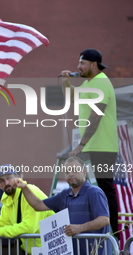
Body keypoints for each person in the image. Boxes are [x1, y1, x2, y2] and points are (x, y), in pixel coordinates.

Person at [60, 48, 119, 237]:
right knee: (87, 186)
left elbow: (96, 117)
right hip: (92, 145)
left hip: (102, 146)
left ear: (93, 65)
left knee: (105, 189)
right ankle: (100, 229)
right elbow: (70, 98)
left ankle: (113, 234)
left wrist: (80, 146)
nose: (78, 67)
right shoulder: (88, 83)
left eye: (82, 63)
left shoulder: (101, 83)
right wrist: (66, 82)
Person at [11, 156, 110, 255]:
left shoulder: (94, 192)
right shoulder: (64, 195)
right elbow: (38, 205)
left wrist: (80, 228)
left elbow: (104, 219)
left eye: (74, 170)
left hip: (96, 252)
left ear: (84, 172)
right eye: (67, 172)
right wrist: (24, 187)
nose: (71, 174)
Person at [0, 165, 54, 255]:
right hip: (34, 250)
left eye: (9, 178)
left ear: (18, 178)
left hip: (51, 248)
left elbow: (29, 227)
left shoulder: (30, 191)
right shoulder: (8, 198)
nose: (6, 183)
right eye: (1, 181)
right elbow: (3, 222)